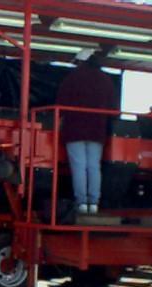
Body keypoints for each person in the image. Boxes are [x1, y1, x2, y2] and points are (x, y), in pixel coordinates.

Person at [57, 49, 116, 215]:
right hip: (97, 130)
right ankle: (94, 203)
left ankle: (82, 203)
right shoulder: (106, 80)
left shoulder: (72, 78)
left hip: (74, 129)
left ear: (81, 62)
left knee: (79, 166)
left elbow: (61, 102)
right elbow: (113, 106)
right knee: (93, 166)